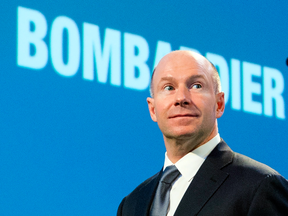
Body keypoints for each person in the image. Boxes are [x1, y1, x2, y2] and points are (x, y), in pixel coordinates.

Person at [117, 50, 288, 216]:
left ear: (219, 104)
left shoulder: (260, 186)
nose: (181, 98)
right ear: (153, 109)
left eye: (196, 86)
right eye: (168, 87)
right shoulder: (131, 204)